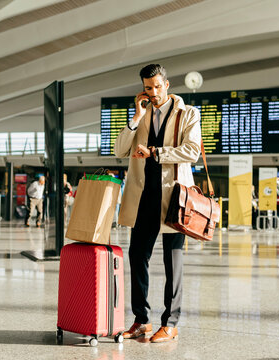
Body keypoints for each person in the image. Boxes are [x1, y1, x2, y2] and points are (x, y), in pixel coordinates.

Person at [114, 64, 201, 343]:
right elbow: (119, 150)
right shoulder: (143, 114)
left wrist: (154, 152)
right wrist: (135, 117)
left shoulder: (187, 113)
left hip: (174, 197)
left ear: (167, 84)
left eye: (157, 86)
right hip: (144, 197)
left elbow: (192, 151)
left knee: (172, 260)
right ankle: (141, 320)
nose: (153, 92)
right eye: (147, 88)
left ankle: (171, 322)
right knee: (137, 256)